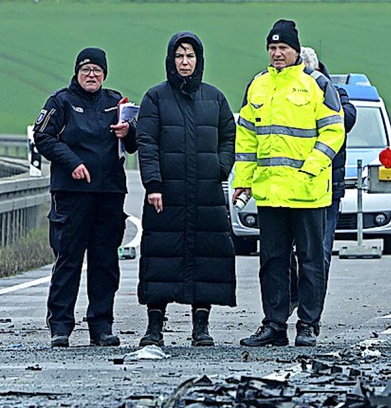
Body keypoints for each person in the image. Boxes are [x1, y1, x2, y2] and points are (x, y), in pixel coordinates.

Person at [233, 19, 345, 348]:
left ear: (296, 50)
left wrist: (312, 167)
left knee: (310, 261)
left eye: (283, 48)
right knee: (272, 262)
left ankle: (308, 324)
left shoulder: (316, 84)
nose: (277, 53)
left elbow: (333, 130)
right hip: (270, 193)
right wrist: (244, 182)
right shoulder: (258, 85)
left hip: (308, 192)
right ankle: (274, 325)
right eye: (272, 48)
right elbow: (247, 139)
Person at [136, 31, 236, 347]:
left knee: (206, 256)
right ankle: (154, 328)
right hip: (166, 195)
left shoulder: (215, 99)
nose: (184, 61)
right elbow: (146, 142)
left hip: (206, 193)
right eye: (179, 56)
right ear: (171, 60)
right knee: (160, 257)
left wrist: (220, 167)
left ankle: (201, 327)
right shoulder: (155, 98)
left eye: (190, 56)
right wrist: (153, 183)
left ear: (199, 60)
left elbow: (229, 138)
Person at [33, 47, 137, 348]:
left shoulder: (115, 101)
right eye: (86, 70)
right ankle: (61, 326)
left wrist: (127, 130)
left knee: (105, 262)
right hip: (71, 194)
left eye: (97, 71)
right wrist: (72, 162)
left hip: (109, 193)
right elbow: (43, 136)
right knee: (69, 260)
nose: (91, 75)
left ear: (104, 74)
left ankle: (101, 326)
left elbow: (132, 144)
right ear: (77, 72)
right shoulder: (61, 101)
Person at [299, 46, 357, 277]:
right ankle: (296, 295)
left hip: (327, 186)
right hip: (291, 186)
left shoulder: (337, 94)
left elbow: (347, 120)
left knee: (321, 250)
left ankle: (313, 303)